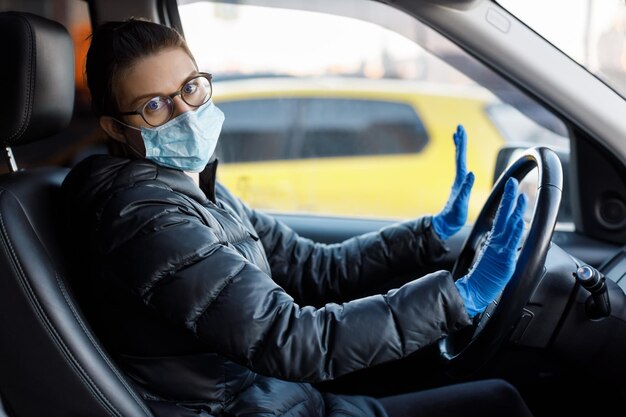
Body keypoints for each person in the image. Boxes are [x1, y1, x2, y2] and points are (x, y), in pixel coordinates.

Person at [61, 18, 533, 417]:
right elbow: (289, 339)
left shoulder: (192, 187)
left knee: (501, 398)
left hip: (282, 399)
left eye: (190, 88)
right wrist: (457, 300)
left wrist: (429, 233)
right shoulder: (145, 221)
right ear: (116, 128)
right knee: (502, 402)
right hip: (248, 407)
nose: (185, 111)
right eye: (155, 106)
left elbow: (312, 265)